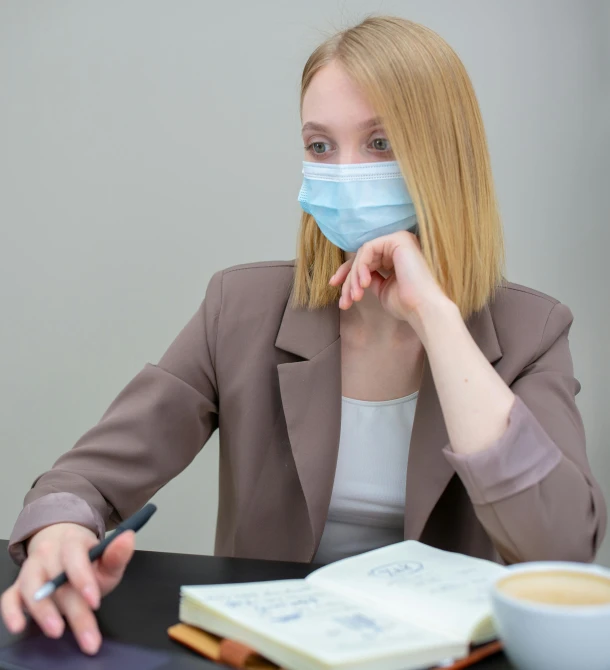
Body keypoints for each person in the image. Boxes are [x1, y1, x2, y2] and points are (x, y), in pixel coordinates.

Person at [1, 15, 606, 657]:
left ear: (444, 156)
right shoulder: (241, 308)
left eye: (379, 142)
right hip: (270, 653)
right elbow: (89, 478)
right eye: (320, 147)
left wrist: (436, 318)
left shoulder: (532, 330)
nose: (344, 172)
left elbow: (561, 549)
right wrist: (59, 531)